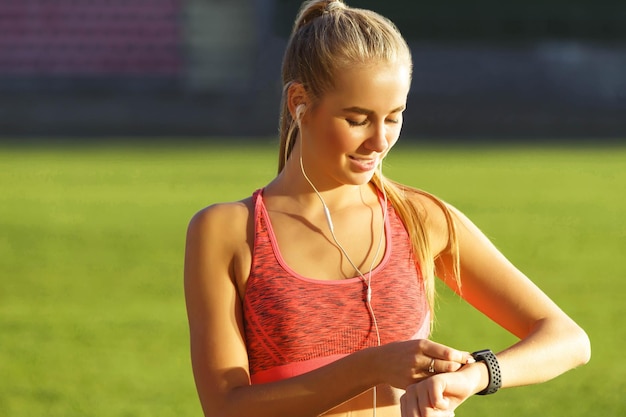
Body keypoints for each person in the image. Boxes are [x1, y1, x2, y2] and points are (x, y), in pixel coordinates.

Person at [183, 1, 591, 416]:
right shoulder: (228, 231)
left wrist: (473, 375)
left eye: (394, 117)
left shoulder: (421, 218)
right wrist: (373, 366)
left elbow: (567, 339)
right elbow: (226, 407)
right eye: (358, 119)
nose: (380, 141)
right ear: (299, 101)